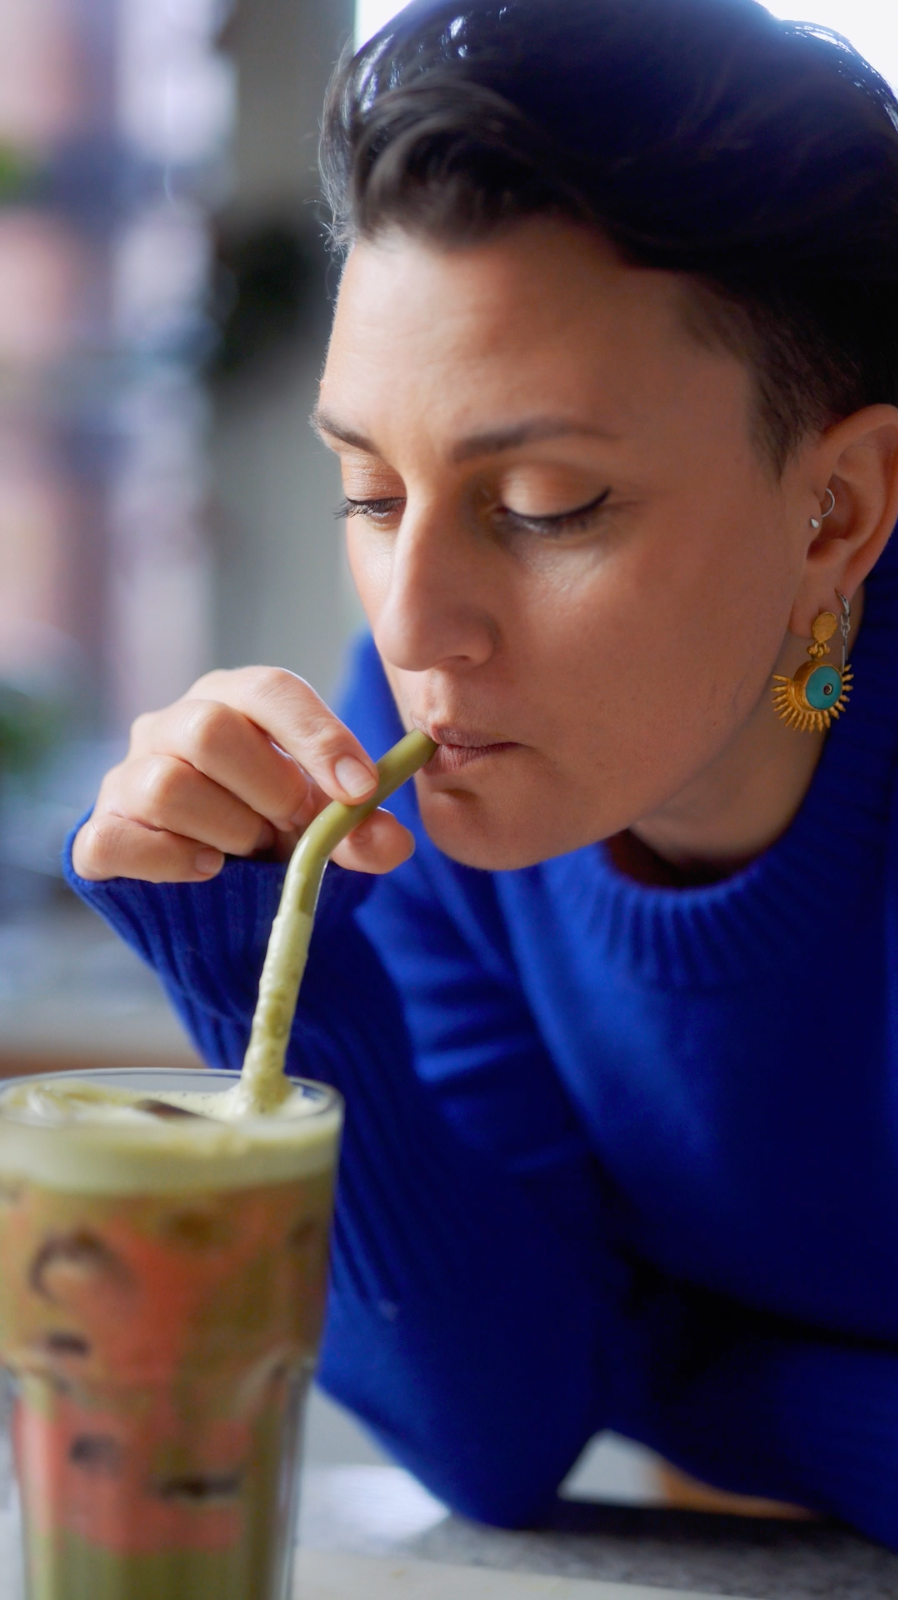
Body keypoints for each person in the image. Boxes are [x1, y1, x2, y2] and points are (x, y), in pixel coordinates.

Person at [67, 0, 898, 1546]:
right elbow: (501, 1429)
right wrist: (265, 956)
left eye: (543, 503)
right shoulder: (438, 769)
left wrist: (666, 1366)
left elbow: (590, 1375)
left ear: (838, 511)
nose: (414, 624)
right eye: (370, 491)